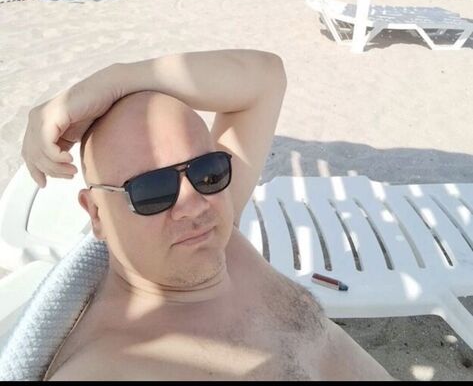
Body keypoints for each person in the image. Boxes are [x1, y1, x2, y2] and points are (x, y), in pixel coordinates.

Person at [21, 49, 395, 381]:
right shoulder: (110, 365)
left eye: (208, 172)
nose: (195, 204)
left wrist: (116, 79)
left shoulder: (222, 239)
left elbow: (265, 78)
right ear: (97, 214)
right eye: (152, 190)